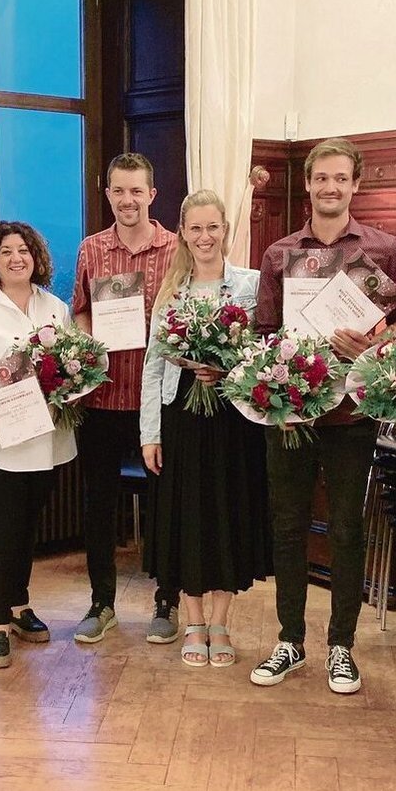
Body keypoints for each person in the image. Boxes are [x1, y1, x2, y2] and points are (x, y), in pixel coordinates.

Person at [249, 137, 396, 695]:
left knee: (346, 530)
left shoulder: (383, 250)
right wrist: (280, 390)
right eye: (321, 177)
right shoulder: (278, 254)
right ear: (309, 184)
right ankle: (290, 641)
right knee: (288, 527)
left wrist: (369, 346)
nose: (330, 187)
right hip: (291, 416)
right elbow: (265, 333)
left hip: (352, 413)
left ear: (355, 185)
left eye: (340, 178)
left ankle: (342, 646)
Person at [139, 189, 271, 668]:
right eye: (195, 228)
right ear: (182, 234)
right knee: (186, 516)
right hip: (182, 419)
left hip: (235, 419)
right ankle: (192, 621)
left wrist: (230, 366)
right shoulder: (171, 291)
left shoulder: (252, 285)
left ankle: (221, 622)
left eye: (213, 226)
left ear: (226, 232)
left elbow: (265, 352)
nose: (204, 236)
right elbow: (154, 367)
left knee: (225, 516)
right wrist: (149, 434)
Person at [0, 221, 75, 669]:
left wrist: (71, 389)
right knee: (3, 530)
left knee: (28, 527)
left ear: (36, 257)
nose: (16, 258)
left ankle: (20, 605)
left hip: (46, 440)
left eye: (23, 250)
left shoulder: (55, 307)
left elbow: (70, 367)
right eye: (6, 252)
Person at [70, 153, 183, 645]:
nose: (128, 200)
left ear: (152, 195)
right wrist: (92, 342)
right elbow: (79, 314)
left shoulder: (177, 248)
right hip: (102, 398)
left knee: (166, 505)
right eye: (119, 191)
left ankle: (167, 601)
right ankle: (102, 603)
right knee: (99, 506)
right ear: (108, 193)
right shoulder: (90, 250)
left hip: (158, 400)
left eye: (137, 191)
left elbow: (188, 316)